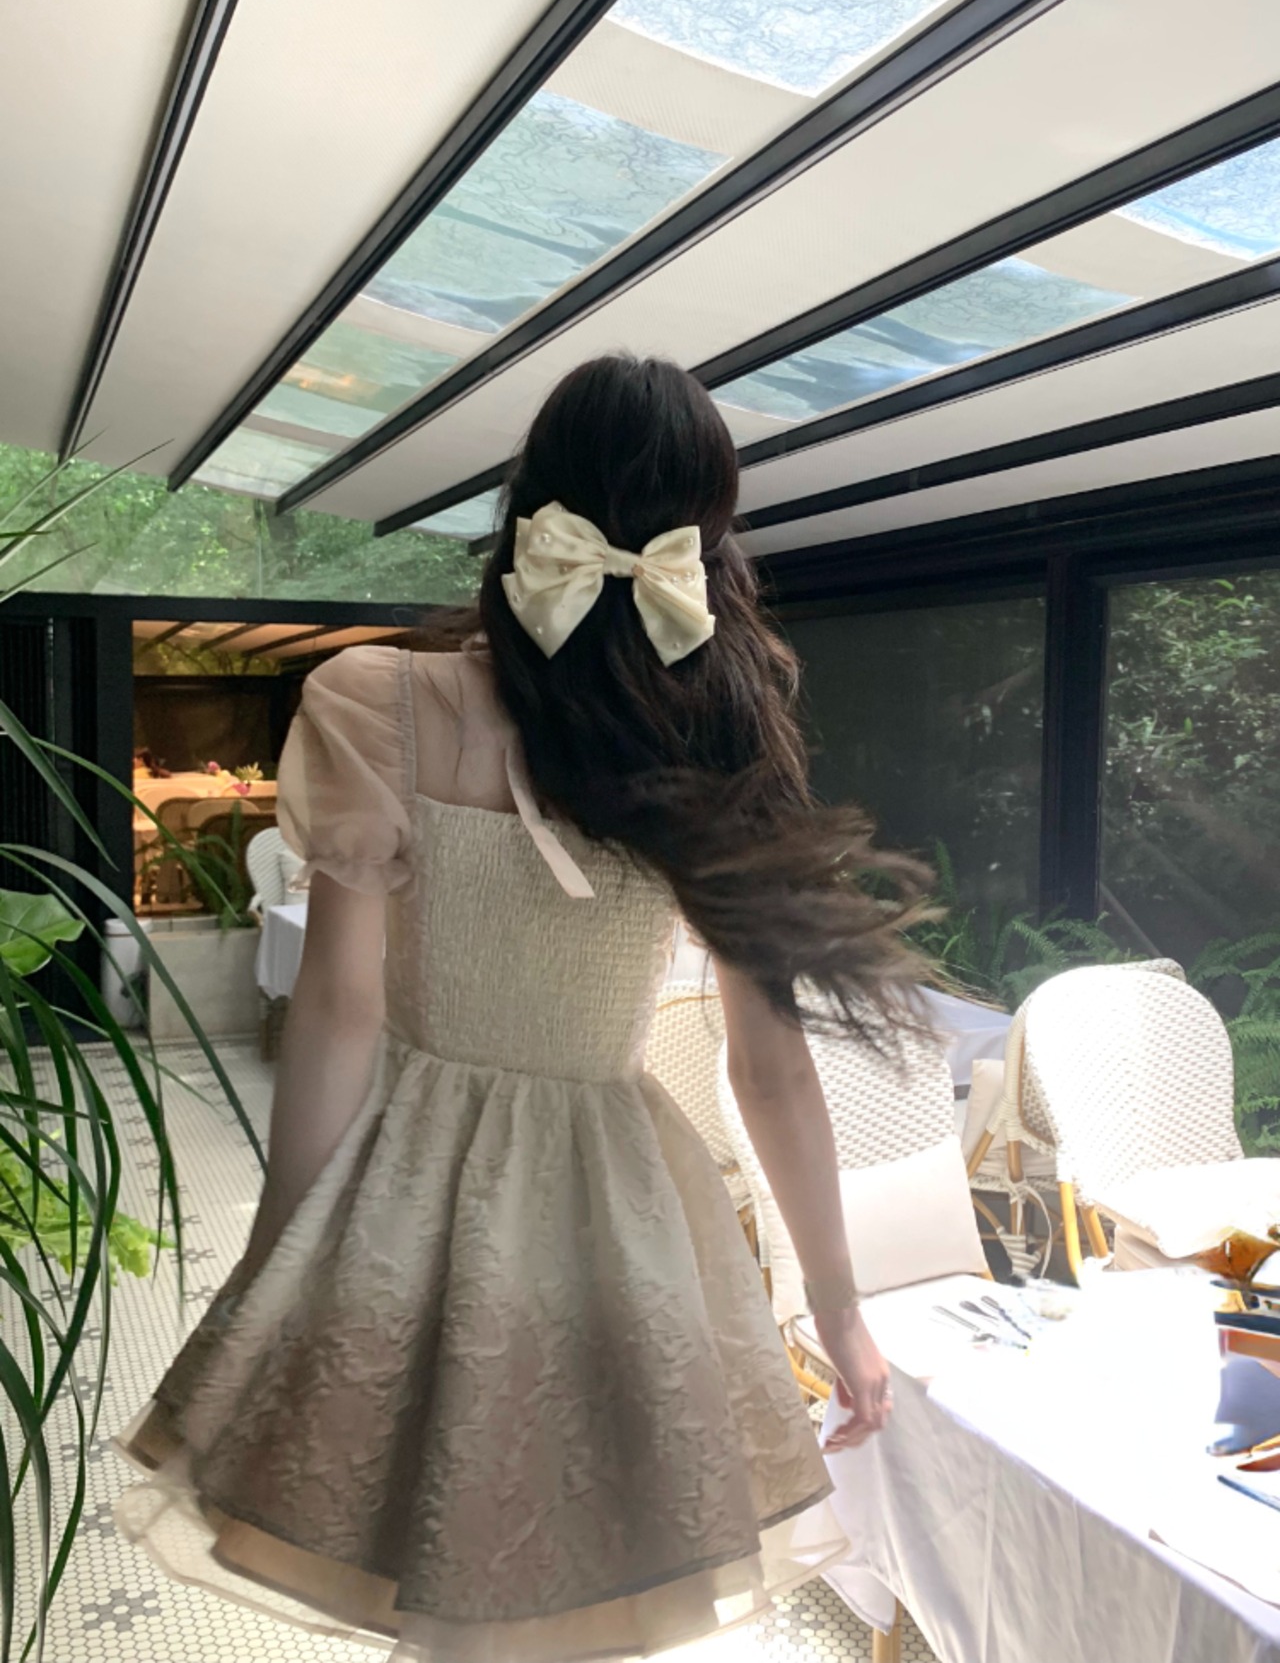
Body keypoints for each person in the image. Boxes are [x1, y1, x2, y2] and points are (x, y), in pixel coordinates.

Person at [113, 356, 930, 1661]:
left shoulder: (379, 701)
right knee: (573, 1580)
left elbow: (340, 1013)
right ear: (705, 535)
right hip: (623, 1212)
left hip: (416, 1188)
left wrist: (284, 1255)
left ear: (526, 506)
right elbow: (770, 1067)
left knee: (443, 1561)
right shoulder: (716, 726)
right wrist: (840, 1309)